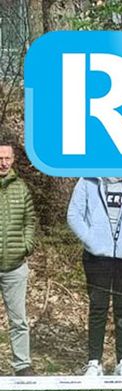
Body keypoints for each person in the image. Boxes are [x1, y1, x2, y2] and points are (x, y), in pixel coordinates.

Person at [67, 177, 122, 376]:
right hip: (96, 258)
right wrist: (91, 240)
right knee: (98, 308)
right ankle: (94, 362)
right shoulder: (86, 182)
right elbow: (74, 215)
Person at [0, 141, 36, 376]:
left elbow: (30, 220)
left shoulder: (21, 188)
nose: (3, 163)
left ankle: (22, 366)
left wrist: (26, 246)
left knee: (19, 320)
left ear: (13, 160)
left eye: (7, 158)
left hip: (15, 267)